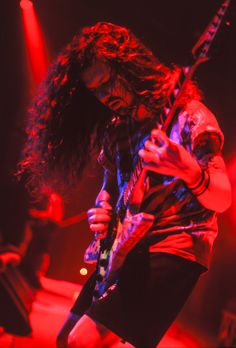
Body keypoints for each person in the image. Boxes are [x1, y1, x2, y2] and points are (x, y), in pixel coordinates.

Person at [19, 22, 231, 347]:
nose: (105, 96)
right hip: (125, 245)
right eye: (96, 91)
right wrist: (102, 210)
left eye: (108, 82)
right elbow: (110, 187)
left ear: (131, 69)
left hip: (176, 243)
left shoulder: (190, 117)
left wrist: (190, 171)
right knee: (65, 340)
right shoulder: (117, 130)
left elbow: (222, 198)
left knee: (83, 341)